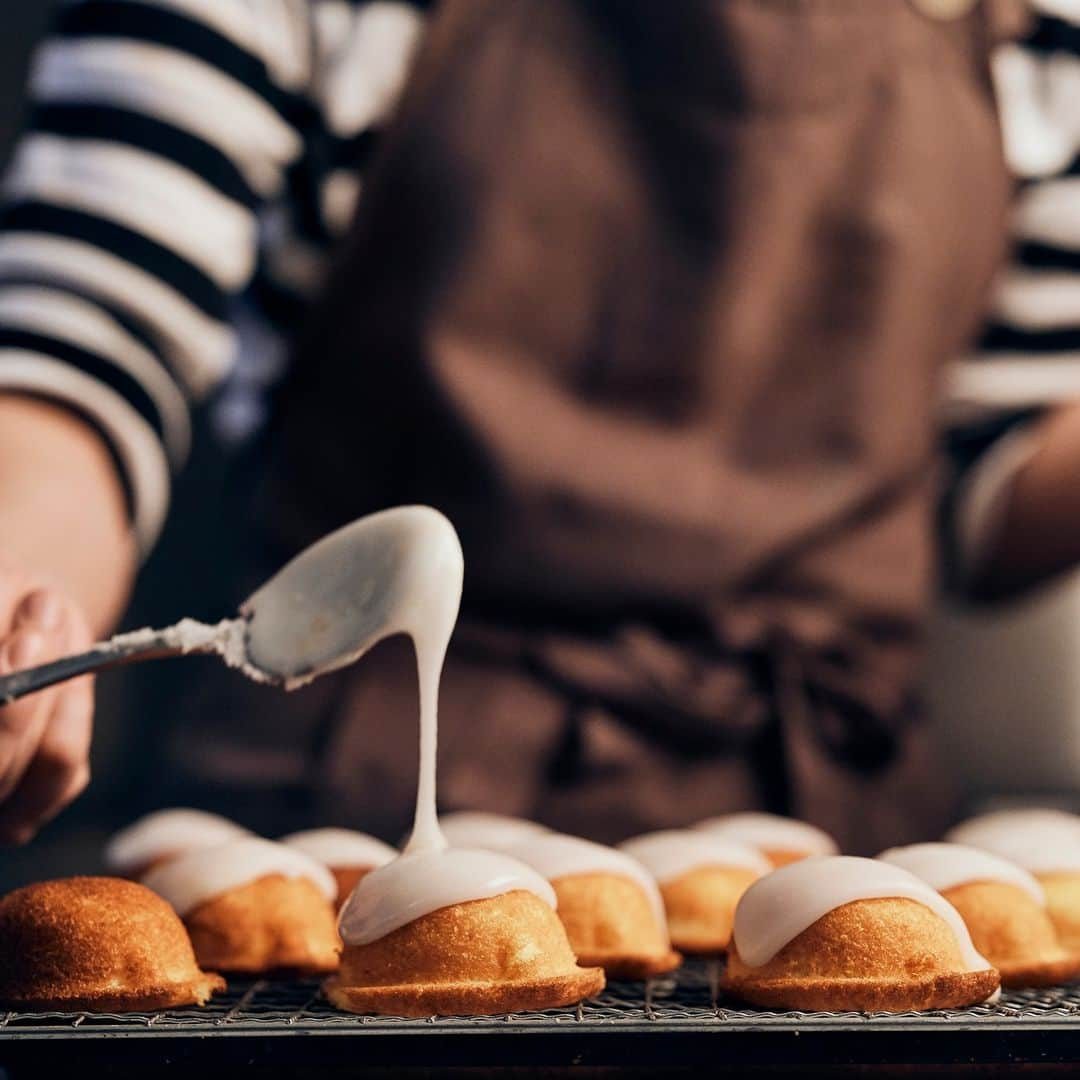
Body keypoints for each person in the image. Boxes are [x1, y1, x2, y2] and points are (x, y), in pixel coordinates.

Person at [0, 0, 1034, 851]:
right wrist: (18, 604)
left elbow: (995, 475)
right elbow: (82, 353)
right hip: (353, 800)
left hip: (838, 827)